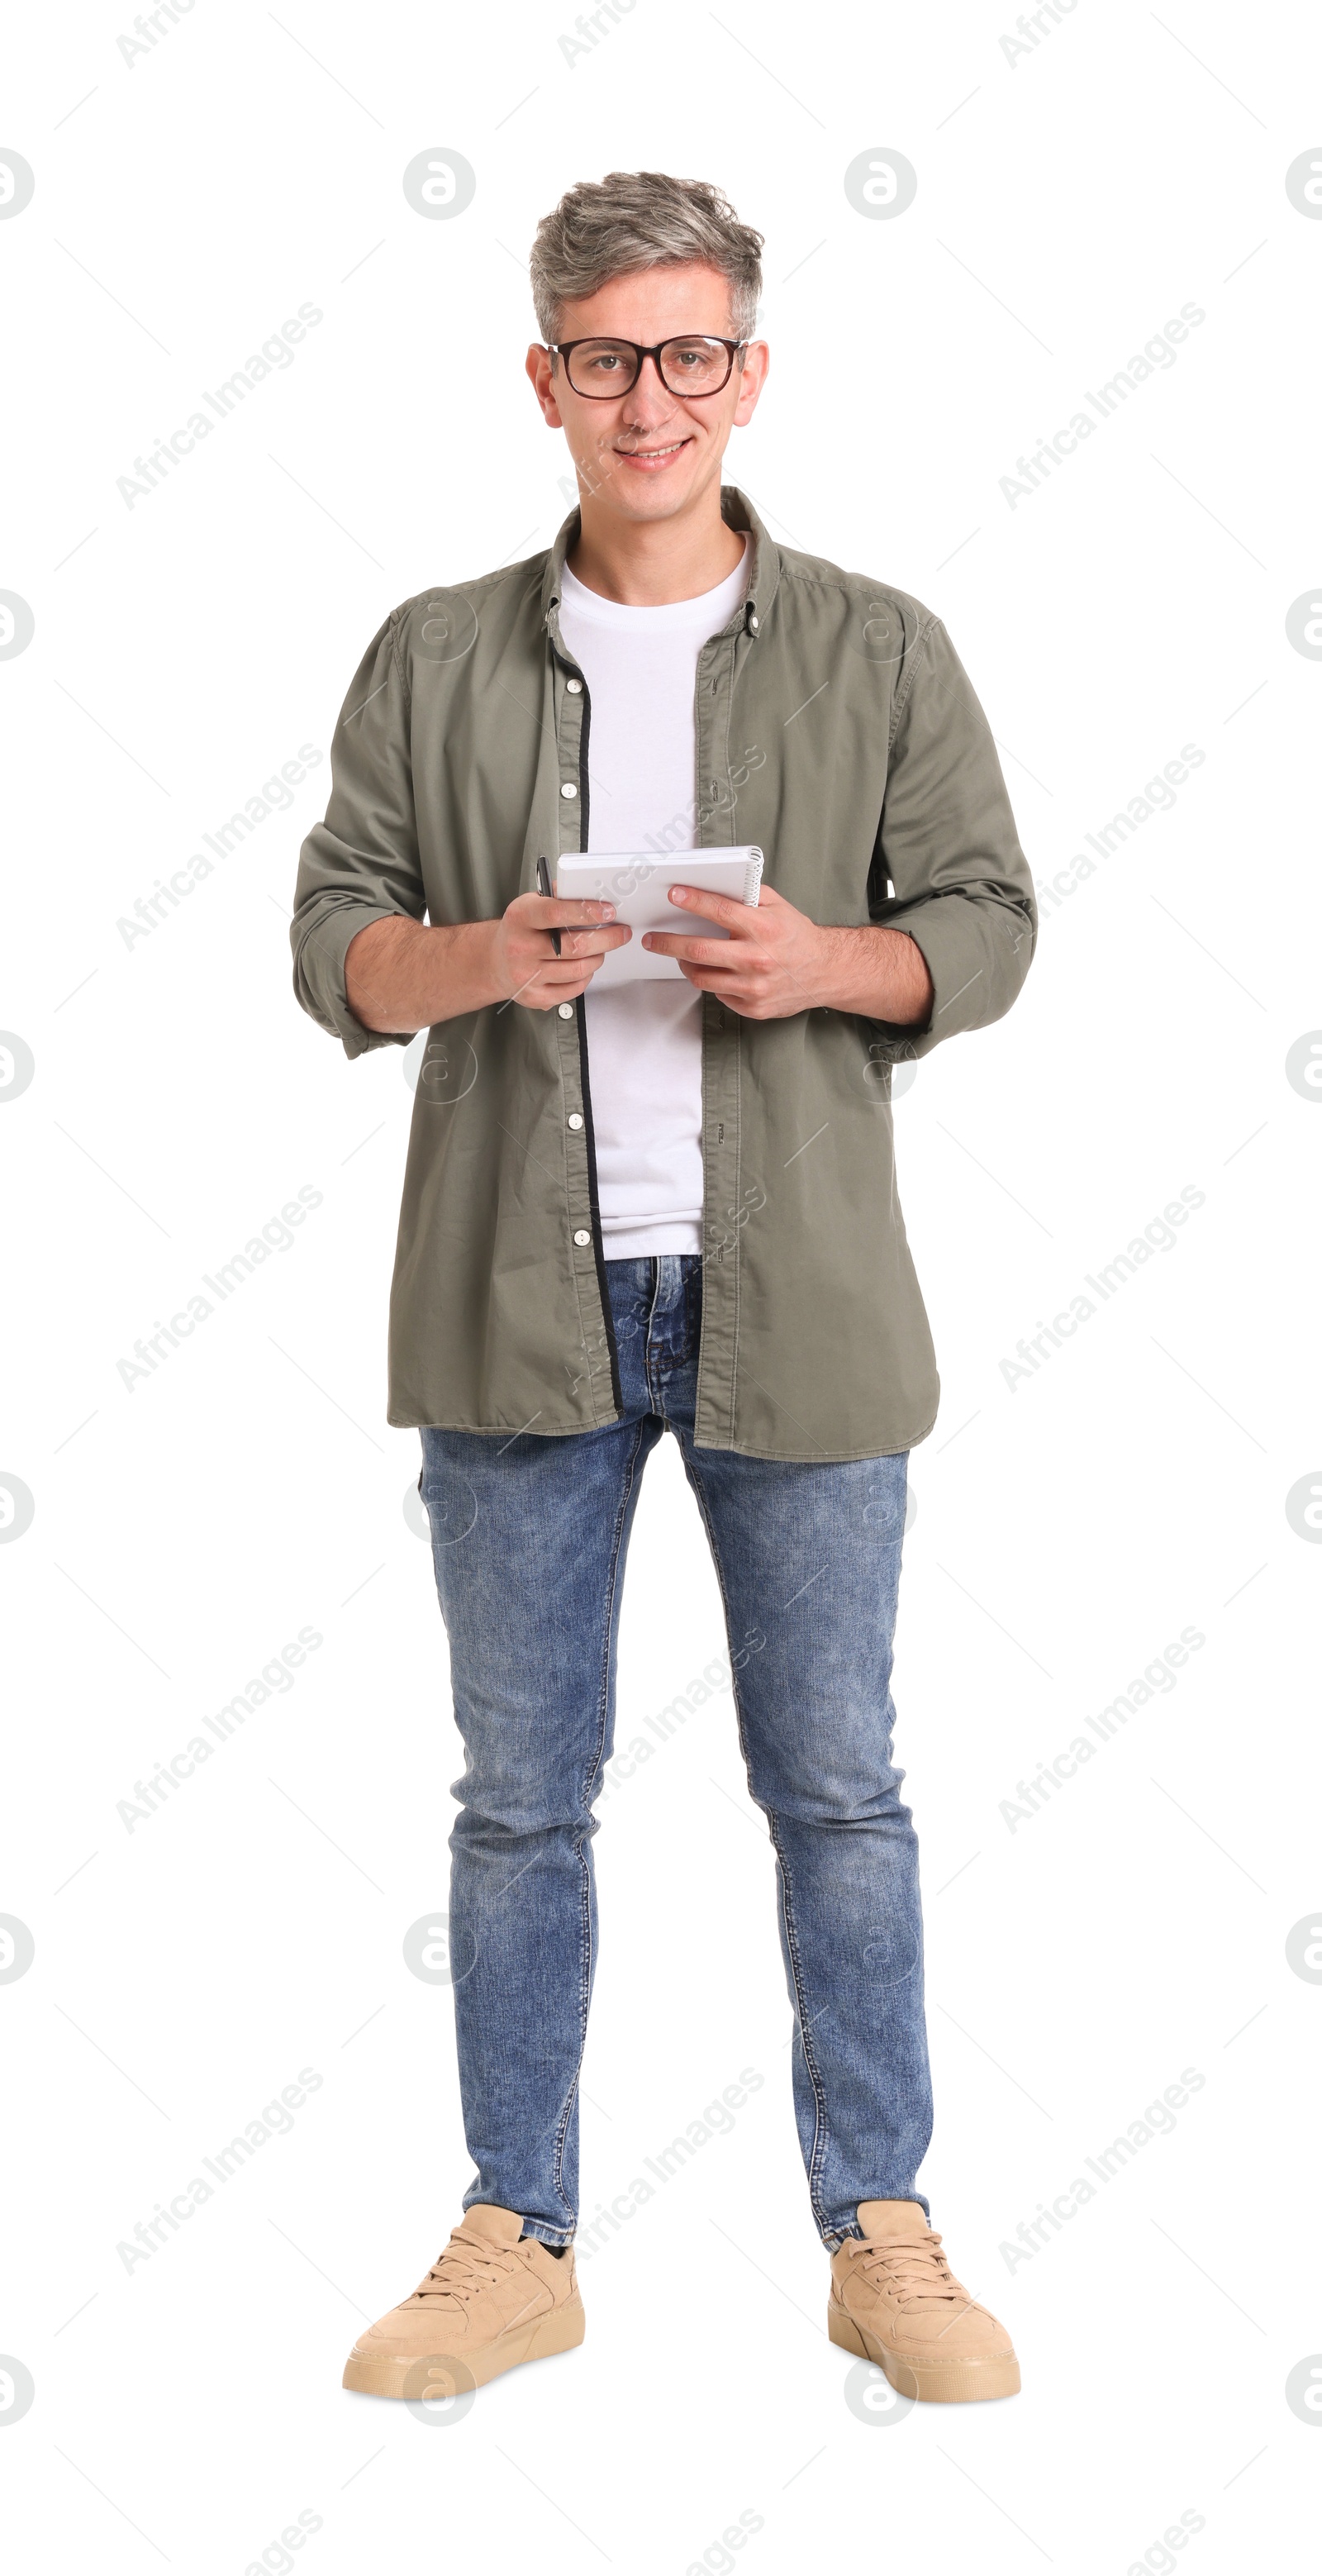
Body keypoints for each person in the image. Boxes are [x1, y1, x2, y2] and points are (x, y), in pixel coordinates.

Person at [292, 169, 1035, 2408]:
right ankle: (518, 2231)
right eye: (606, 354)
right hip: (515, 1314)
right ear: (545, 379)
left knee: (842, 1790)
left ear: (750, 373)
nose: (649, 396)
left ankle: (878, 2224)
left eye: (689, 349)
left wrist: (831, 960)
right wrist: (472, 958)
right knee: (520, 1802)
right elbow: (331, 935)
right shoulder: (434, 649)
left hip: (794, 1296)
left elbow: (989, 919)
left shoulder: (882, 643)